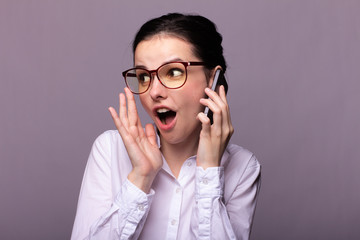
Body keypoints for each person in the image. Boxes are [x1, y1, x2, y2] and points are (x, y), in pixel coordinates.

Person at [71, 13, 261, 240]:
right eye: (143, 77)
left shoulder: (243, 169)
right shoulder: (110, 150)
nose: (154, 92)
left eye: (173, 72)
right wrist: (141, 177)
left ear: (213, 79)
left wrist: (209, 171)